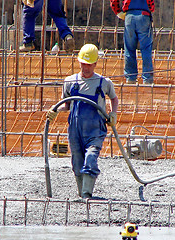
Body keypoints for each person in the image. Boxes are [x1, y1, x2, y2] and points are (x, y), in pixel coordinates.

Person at [47, 44, 118, 199]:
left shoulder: (103, 82)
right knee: (77, 162)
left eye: (89, 65)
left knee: (91, 157)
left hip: (95, 130)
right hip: (75, 130)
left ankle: (87, 194)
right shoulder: (70, 82)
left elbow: (114, 98)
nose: (86, 68)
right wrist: (54, 110)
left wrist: (113, 114)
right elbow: (66, 105)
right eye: (83, 64)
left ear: (95, 64)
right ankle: (81, 192)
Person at [110, 0, 155, 84]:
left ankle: (130, 78)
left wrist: (118, 12)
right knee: (146, 49)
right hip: (144, 15)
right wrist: (151, 8)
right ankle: (147, 79)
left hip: (129, 16)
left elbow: (113, 1)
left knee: (129, 49)